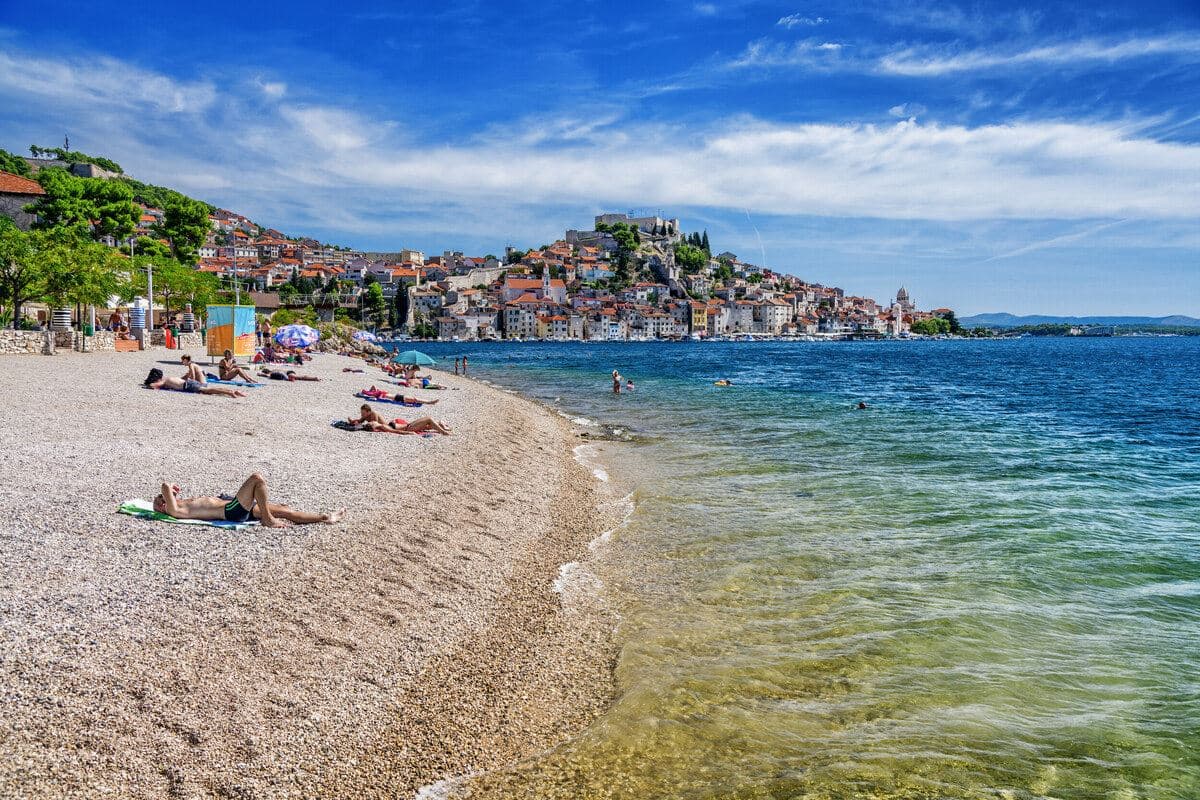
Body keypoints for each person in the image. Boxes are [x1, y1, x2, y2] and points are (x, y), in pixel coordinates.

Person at [153, 474, 344, 528]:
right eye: (161, 501)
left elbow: (167, 492)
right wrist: (168, 490)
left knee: (284, 509)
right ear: (163, 507)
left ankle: (325, 517)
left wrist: (169, 494)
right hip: (231, 511)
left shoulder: (180, 504)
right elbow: (165, 485)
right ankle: (267, 520)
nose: (163, 500)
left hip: (233, 506)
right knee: (256, 479)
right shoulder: (175, 511)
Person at [347, 404, 451, 435]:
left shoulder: (373, 417)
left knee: (427, 424)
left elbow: (360, 422)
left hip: (407, 426)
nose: (362, 415)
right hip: (408, 428)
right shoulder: (378, 424)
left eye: (363, 413)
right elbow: (395, 431)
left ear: (368, 412)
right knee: (428, 419)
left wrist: (353, 422)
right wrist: (409, 433)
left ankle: (440, 426)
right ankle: (443, 431)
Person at [143, 368, 246, 398]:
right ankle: (234, 391)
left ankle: (230, 392)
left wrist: (146, 385)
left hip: (188, 385)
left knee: (208, 390)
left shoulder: (164, 381)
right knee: (208, 391)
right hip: (189, 383)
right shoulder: (169, 378)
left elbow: (153, 386)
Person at [360, 385, 438, 405]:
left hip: (397, 397)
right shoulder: (376, 394)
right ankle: (429, 402)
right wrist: (368, 392)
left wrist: (370, 390)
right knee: (414, 399)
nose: (374, 389)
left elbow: (373, 387)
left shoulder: (377, 393)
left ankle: (429, 402)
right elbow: (367, 392)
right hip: (396, 398)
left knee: (414, 399)